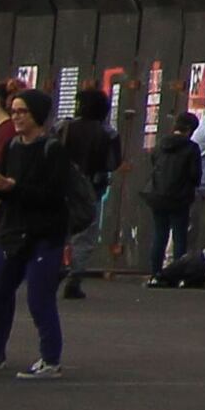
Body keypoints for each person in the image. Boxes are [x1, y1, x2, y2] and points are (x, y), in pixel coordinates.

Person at [0, 83, 75, 376]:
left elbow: (54, 195)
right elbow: (7, 185)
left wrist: (14, 188)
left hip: (44, 233)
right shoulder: (12, 146)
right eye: (14, 111)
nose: (17, 117)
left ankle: (50, 359)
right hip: (12, 231)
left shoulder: (52, 149)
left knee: (39, 298)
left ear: (37, 115)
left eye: (23, 112)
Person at [143, 98, 205, 285]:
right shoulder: (191, 147)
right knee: (180, 236)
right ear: (190, 130)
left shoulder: (160, 145)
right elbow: (195, 175)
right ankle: (177, 274)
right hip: (180, 198)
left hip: (157, 195)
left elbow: (154, 165)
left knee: (160, 235)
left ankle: (155, 274)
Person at [57, 84, 116, 300]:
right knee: (85, 235)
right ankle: (75, 276)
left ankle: (55, 267)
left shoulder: (64, 127)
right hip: (91, 187)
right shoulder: (108, 133)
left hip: (61, 186)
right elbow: (112, 162)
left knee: (58, 231)